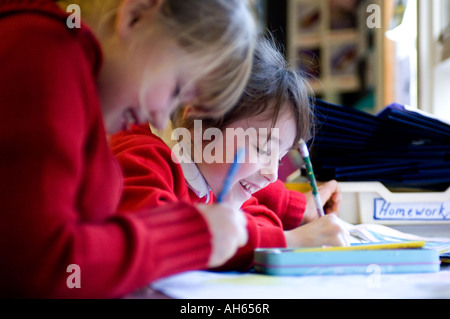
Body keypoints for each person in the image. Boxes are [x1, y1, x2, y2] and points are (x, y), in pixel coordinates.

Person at [0, 0, 256, 298]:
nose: (161, 117)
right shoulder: (44, 52)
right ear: (135, 15)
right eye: (175, 89)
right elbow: (44, 264)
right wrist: (189, 235)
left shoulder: (81, 89)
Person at [110, 37, 350, 271]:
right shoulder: (143, 161)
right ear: (197, 118)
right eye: (262, 148)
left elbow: (255, 217)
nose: (272, 174)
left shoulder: (208, 173)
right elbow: (169, 241)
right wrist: (290, 241)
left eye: (279, 157)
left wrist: (292, 210)